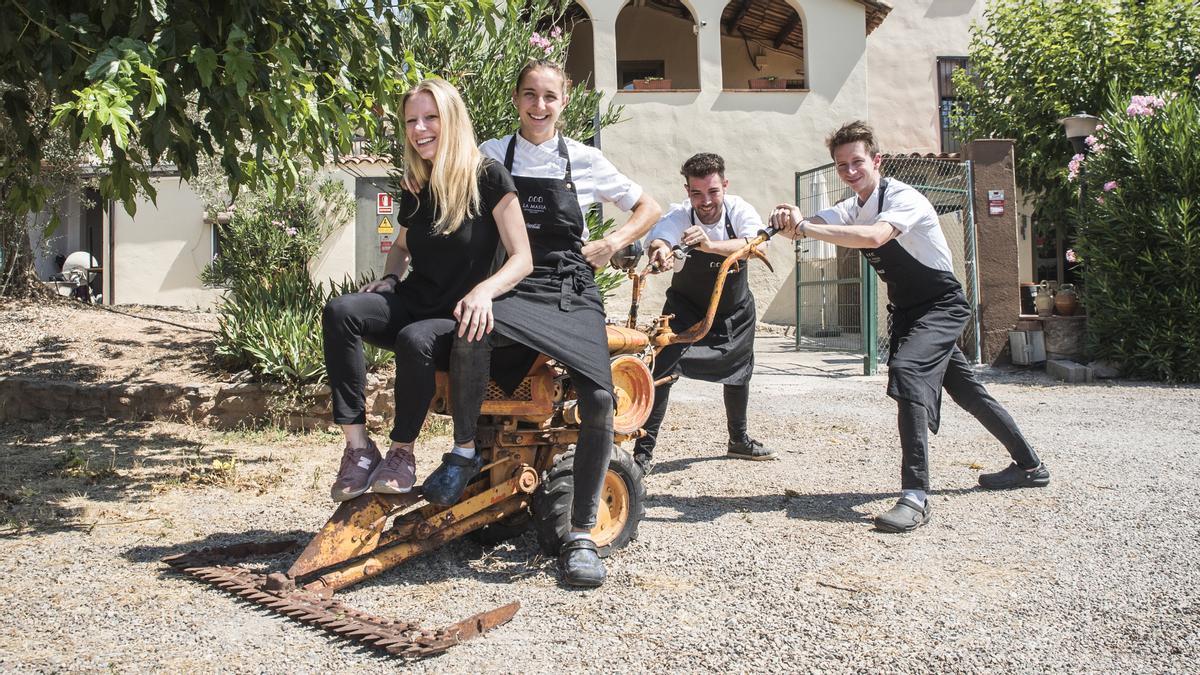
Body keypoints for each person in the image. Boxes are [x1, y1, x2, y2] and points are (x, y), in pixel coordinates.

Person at [418, 59, 662, 587]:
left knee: (598, 398)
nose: (539, 105)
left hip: (570, 287)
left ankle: (578, 534)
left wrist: (613, 243)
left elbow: (649, 206)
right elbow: (442, 198)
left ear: (564, 101)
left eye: (549, 96)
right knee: (469, 330)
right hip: (512, 281)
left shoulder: (585, 159)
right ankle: (463, 455)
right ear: (516, 99)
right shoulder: (489, 155)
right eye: (530, 95)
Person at [770, 120, 1050, 533]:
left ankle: (916, 496)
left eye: (857, 162)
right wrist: (791, 215)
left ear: (876, 160)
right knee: (968, 391)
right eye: (842, 165)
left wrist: (805, 227)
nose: (850, 172)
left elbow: (875, 236)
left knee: (908, 372)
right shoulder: (853, 204)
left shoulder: (904, 197)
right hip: (908, 311)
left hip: (942, 305)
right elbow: (809, 221)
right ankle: (1030, 466)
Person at [321, 78, 532, 503]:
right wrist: (392, 277)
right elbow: (400, 247)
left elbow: (522, 257)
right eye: (411, 121)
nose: (419, 129)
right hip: (416, 299)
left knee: (413, 339)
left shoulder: (488, 176)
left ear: (451, 120)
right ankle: (359, 449)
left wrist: (485, 292)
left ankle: (402, 452)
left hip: (460, 318)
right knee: (341, 311)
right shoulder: (417, 184)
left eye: (430, 118)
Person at [632, 152, 775, 474]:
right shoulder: (681, 214)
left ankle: (738, 440)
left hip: (734, 309)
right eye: (697, 193)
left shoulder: (739, 209)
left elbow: (759, 245)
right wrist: (661, 252)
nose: (705, 201)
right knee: (661, 374)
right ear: (687, 191)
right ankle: (643, 454)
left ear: (724, 185)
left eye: (713, 192)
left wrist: (709, 246)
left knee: (740, 372)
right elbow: (661, 237)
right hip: (684, 310)